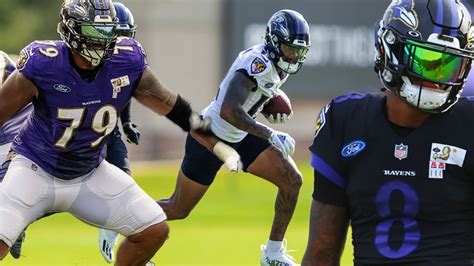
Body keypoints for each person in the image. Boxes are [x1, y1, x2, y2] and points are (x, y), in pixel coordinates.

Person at [0, 0, 239, 264]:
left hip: (89, 173)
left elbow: (173, 106)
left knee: (154, 228)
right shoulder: (44, 63)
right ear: (70, 31)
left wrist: (215, 142)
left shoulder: (126, 60)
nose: (102, 42)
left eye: (107, 33)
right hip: (35, 169)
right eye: (94, 33)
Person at [302, 0, 474, 265]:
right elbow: (322, 250)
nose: (437, 76)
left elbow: (321, 253)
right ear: (390, 47)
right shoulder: (345, 121)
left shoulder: (345, 120)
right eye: (427, 60)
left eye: (448, 63)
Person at [157, 9, 310, 266]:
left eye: (298, 51)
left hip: (239, 136)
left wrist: (267, 101)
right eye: (289, 49)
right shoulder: (257, 63)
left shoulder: (274, 64)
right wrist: (270, 133)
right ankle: (122, 220)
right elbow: (229, 110)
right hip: (211, 137)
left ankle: (272, 254)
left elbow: (252, 96)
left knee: (292, 181)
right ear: (274, 42)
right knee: (177, 209)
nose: (293, 56)